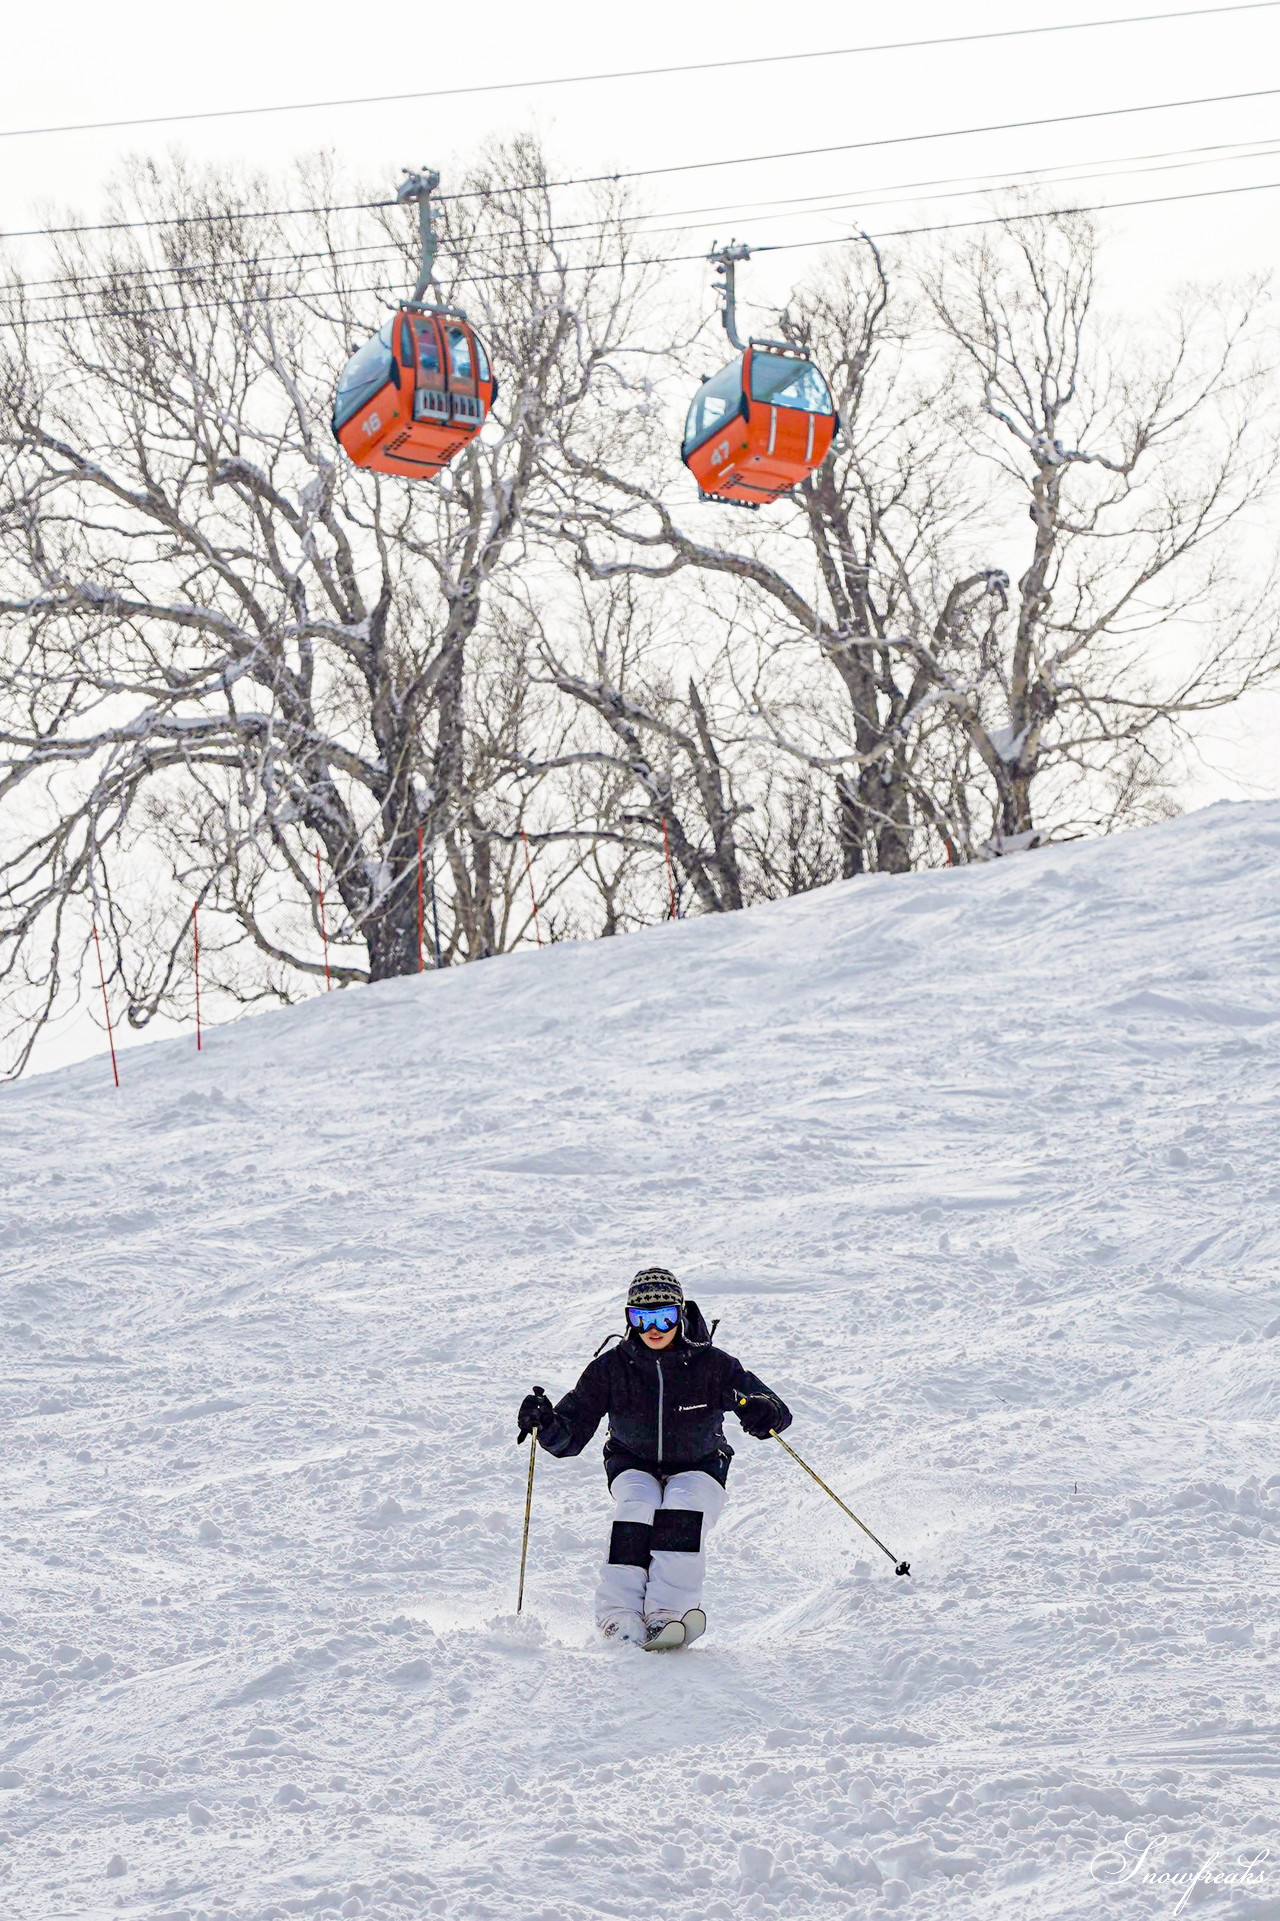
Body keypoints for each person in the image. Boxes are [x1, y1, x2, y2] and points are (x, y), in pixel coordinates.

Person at [516, 1267, 792, 1650]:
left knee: (682, 1508)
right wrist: (544, 1423)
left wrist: (764, 1412)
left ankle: (668, 1613)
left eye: (664, 1316)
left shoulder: (712, 1364)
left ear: (680, 1314)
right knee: (637, 1506)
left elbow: (773, 1408)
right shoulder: (611, 1368)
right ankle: (617, 1614)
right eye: (641, 1318)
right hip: (633, 1463)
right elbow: (570, 1434)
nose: (654, 1328)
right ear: (629, 1319)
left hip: (700, 1464)